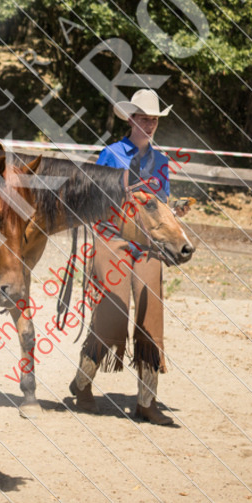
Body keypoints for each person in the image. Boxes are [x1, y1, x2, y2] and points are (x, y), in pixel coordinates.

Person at [69, 88, 180, 426]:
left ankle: (147, 401)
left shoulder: (162, 162)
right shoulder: (110, 154)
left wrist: (173, 213)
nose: (150, 124)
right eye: (144, 118)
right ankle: (83, 381)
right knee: (112, 311)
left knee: (150, 316)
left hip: (148, 245)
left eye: (154, 119)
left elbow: (162, 205)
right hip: (112, 237)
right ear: (131, 119)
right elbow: (93, 198)